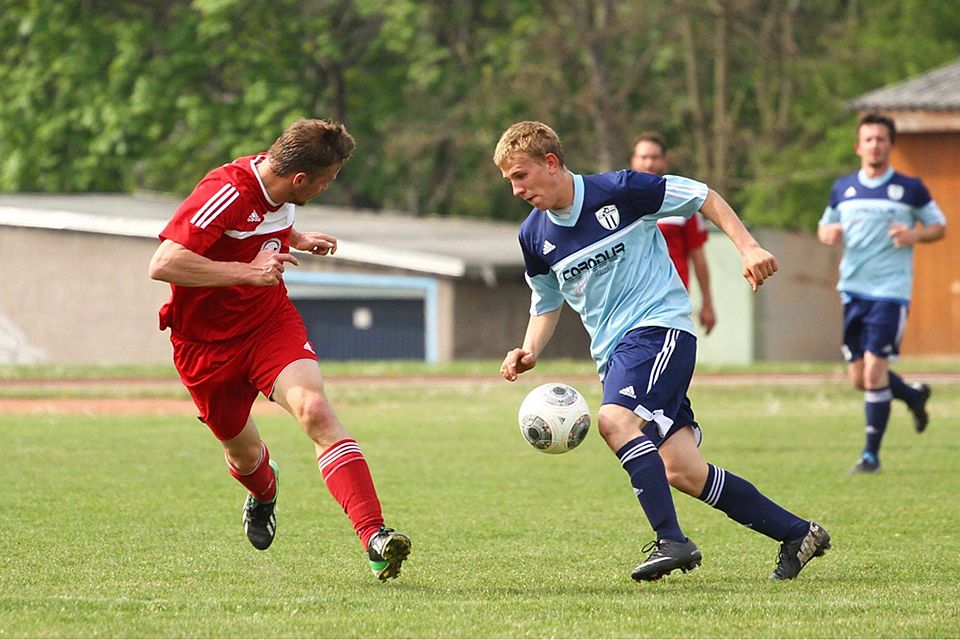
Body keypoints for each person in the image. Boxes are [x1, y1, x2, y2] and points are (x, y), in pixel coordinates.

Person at [495, 121, 830, 582]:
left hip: (659, 329)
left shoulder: (622, 190)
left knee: (614, 421)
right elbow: (546, 302)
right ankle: (799, 533)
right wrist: (529, 349)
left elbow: (704, 196)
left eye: (520, 176)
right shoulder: (534, 236)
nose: (516, 190)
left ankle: (672, 540)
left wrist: (749, 247)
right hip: (615, 354)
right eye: (510, 180)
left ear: (551, 163)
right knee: (681, 470)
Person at [148, 118, 411, 580]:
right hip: (204, 345)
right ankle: (264, 492)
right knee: (244, 456)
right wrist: (249, 271)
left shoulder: (281, 190)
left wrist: (295, 239)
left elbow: (254, 226)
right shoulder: (225, 190)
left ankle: (374, 536)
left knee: (315, 411)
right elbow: (165, 263)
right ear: (300, 179)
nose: (327, 189)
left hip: (268, 324)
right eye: (326, 181)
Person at [818, 112, 946, 474]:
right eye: (869, 139)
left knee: (875, 372)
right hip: (852, 291)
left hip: (890, 291)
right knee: (860, 378)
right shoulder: (843, 188)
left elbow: (939, 226)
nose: (875, 145)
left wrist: (914, 235)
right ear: (859, 146)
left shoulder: (910, 188)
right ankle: (913, 395)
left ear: (891, 145)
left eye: (881, 139)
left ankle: (870, 455)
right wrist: (829, 234)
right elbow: (825, 228)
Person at [631, 131, 716, 334]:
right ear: (633, 160)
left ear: (664, 161)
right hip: (630, 301)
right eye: (643, 157)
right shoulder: (620, 202)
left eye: (654, 157)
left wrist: (707, 303)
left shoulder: (683, 204)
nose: (649, 163)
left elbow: (699, 258)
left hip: (670, 301)